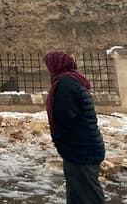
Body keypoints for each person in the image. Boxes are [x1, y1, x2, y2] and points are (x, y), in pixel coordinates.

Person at [44, 50, 105, 204]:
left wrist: (58, 139)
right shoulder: (73, 80)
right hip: (85, 146)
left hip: (80, 149)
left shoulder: (65, 83)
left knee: (86, 195)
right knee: (81, 192)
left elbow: (65, 117)